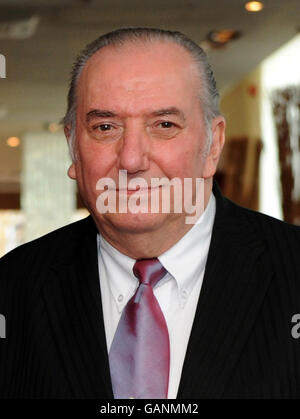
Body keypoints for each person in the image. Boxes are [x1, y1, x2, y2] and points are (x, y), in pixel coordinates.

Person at [0, 27, 300, 399]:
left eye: (164, 125)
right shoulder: (11, 289)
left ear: (213, 144)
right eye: (105, 127)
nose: (131, 159)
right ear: (73, 147)